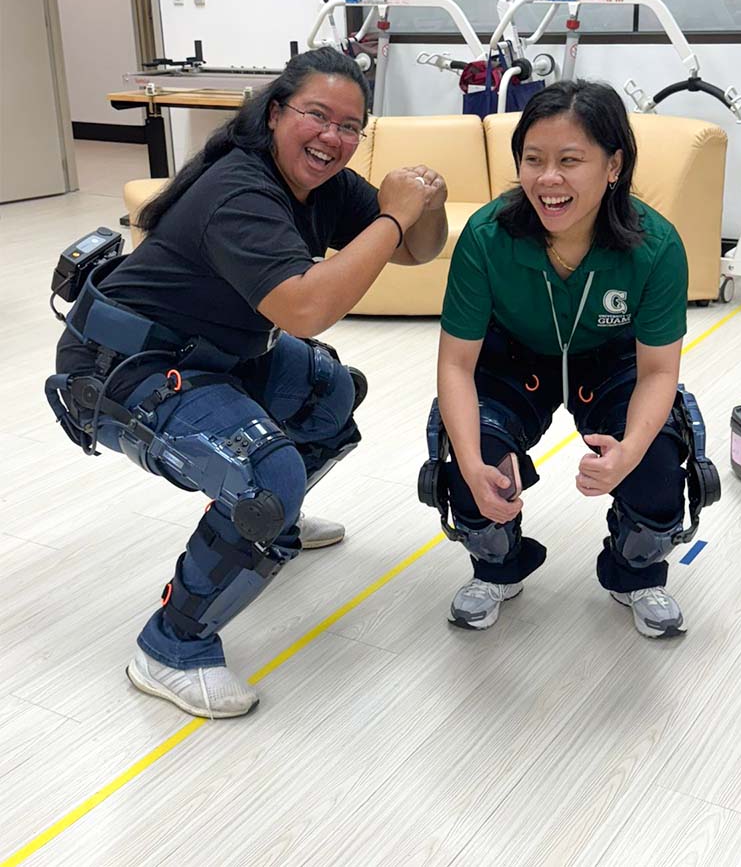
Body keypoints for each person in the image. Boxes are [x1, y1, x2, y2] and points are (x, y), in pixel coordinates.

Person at [52, 47, 448, 717]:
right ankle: (170, 645)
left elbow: (418, 247)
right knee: (269, 479)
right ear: (274, 114)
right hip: (119, 369)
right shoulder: (241, 189)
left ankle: (267, 524)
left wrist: (420, 206)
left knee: (330, 391)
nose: (333, 137)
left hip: (208, 352)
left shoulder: (320, 184)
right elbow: (306, 307)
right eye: (317, 116)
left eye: (351, 126)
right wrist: (391, 215)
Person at [434, 78, 701, 639]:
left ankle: (637, 573)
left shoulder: (657, 246)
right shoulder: (487, 237)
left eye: (570, 160)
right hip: (513, 355)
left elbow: (658, 372)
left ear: (613, 166)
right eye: (533, 159)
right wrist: (472, 461)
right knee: (467, 451)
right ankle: (497, 565)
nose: (547, 179)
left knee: (656, 452)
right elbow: (457, 365)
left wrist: (627, 451)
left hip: (610, 359)